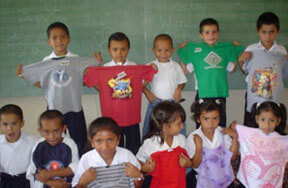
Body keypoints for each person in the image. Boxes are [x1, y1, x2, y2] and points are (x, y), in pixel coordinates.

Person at [16, 22, 101, 155]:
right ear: (48, 41)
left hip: (74, 108)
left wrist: (95, 64)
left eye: (62, 37)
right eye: (54, 38)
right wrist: (24, 76)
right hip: (53, 109)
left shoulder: (76, 59)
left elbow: (81, 81)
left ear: (69, 39)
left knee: (80, 141)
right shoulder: (46, 62)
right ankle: (59, 165)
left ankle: (80, 169)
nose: (59, 41)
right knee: (55, 141)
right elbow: (44, 84)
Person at [83, 32, 157, 155]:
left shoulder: (134, 67)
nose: (119, 53)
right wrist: (92, 70)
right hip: (112, 117)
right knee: (115, 147)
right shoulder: (105, 68)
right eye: (115, 49)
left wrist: (151, 71)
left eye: (123, 49)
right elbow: (99, 86)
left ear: (128, 49)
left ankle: (133, 170)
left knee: (134, 147)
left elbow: (141, 84)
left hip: (131, 116)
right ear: (109, 50)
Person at [177, 18, 243, 128]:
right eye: (207, 32)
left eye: (214, 32)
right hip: (202, 94)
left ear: (218, 33)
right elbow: (185, 70)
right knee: (202, 126)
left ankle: (219, 145)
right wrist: (182, 54)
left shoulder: (224, 50)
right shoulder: (196, 52)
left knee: (220, 126)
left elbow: (232, 69)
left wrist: (234, 51)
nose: (211, 35)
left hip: (219, 94)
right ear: (201, 35)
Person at [238, 12, 288, 126]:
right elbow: (244, 70)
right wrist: (241, 60)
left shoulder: (282, 51)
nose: (268, 36)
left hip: (273, 100)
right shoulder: (251, 49)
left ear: (277, 32)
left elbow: (284, 75)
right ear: (258, 31)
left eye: (272, 32)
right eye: (264, 32)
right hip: (254, 100)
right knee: (252, 131)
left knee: (272, 132)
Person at [72, 117, 143, 188]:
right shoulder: (87, 159)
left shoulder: (127, 156)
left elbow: (138, 185)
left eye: (110, 140)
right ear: (92, 142)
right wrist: (82, 183)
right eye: (99, 141)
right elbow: (77, 185)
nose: (105, 146)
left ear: (118, 140)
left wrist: (138, 177)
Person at [232, 101, 288, 188]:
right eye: (263, 119)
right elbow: (233, 127)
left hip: (270, 182)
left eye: (272, 120)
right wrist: (234, 127)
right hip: (249, 182)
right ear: (257, 118)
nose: (267, 124)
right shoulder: (249, 134)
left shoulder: (282, 140)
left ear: (278, 121)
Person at [136, 101, 191, 188]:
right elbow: (138, 161)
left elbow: (188, 159)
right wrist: (144, 168)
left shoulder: (181, 139)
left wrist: (188, 163)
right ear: (165, 127)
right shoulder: (151, 144)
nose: (182, 127)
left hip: (179, 184)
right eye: (179, 124)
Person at [142, 34, 187, 138]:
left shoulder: (176, 66)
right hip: (156, 103)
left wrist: (179, 89)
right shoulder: (150, 66)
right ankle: (147, 152)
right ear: (154, 50)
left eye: (167, 50)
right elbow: (140, 84)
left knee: (178, 130)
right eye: (159, 50)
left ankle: (180, 150)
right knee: (151, 131)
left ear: (172, 50)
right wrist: (147, 93)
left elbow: (182, 81)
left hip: (173, 103)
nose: (163, 53)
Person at [186, 100, 238, 188]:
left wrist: (235, 138)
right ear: (198, 119)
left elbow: (232, 157)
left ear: (219, 118)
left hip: (224, 178)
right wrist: (199, 147)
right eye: (206, 119)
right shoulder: (193, 137)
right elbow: (195, 164)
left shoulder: (222, 132)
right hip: (205, 181)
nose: (211, 123)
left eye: (215, 118)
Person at [26, 110, 79, 188]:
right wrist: (50, 183)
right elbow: (33, 171)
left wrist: (50, 174)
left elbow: (75, 168)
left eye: (56, 131)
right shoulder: (39, 145)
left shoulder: (69, 144)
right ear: (40, 131)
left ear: (63, 128)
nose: (51, 136)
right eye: (46, 132)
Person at [0, 104, 37, 188]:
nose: (10, 128)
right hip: (4, 182)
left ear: (22, 123)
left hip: (26, 182)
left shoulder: (33, 142)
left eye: (14, 123)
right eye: (5, 124)